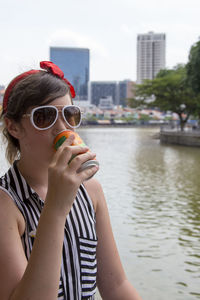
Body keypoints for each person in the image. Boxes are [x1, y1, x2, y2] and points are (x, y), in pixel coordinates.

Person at [0, 61, 142, 300]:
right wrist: (56, 207)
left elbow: (116, 285)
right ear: (13, 127)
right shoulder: (6, 202)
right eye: (43, 117)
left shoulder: (91, 192)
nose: (62, 128)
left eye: (69, 114)